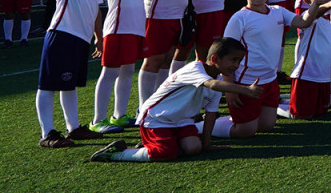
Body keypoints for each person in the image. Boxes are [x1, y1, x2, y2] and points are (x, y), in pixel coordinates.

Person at [90, 37, 264, 162]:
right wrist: (246, 90)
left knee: (193, 148)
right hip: (156, 118)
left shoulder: (218, 80)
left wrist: (206, 144)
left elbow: (211, 114)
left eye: (239, 61)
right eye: (233, 60)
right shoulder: (195, 69)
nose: (236, 65)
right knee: (167, 153)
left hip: (181, 121)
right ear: (214, 59)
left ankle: (151, 146)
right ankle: (117, 153)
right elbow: (210, 85)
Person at [210, 0, 326, 139]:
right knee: (246, 132)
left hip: (270, 81)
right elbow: (225, 56)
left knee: (266, 126)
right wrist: (230, 89)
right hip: (245, 83)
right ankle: (202, 126)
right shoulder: (239, 18)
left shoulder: (278, 11)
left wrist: (315, 4)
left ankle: (237, 118)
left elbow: (303, 22)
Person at [35, 0, 104, 148]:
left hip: (81, 40)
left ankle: (73, 128)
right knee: (48, 85)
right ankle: (48, 133)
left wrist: (99, 37)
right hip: (62, 35)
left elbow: (96, 10)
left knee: (70, 84)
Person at [90, 0, 167, 133]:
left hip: (133, 29)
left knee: (126, 72)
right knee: (109, 73)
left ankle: (119, 115)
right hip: (118, 29)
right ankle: (98, 120)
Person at [284, 0, 331, 118]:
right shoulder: (306, 16)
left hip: (323, 76)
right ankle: (274, 107)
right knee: (300, 114)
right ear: (307, 1)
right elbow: (312, 16)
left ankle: (284, 101)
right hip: (307, 75)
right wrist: (327, 5)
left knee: (319, 112)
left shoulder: (326, 19)